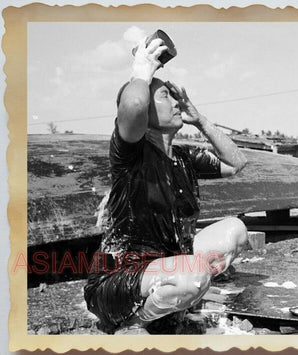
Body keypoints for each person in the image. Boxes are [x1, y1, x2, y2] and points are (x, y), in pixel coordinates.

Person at [84, 36, 249, 334]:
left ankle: (175, 294)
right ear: (145, 115)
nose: (175, 102)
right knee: (194, 274)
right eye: (163, 97)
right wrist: (141, 70)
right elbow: (133, 103)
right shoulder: (131, 154)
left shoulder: (183, 157)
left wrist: (200, 119)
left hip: (166, 261)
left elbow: (237, 163)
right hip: (120, 278)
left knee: (234, 230)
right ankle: (133, 324)